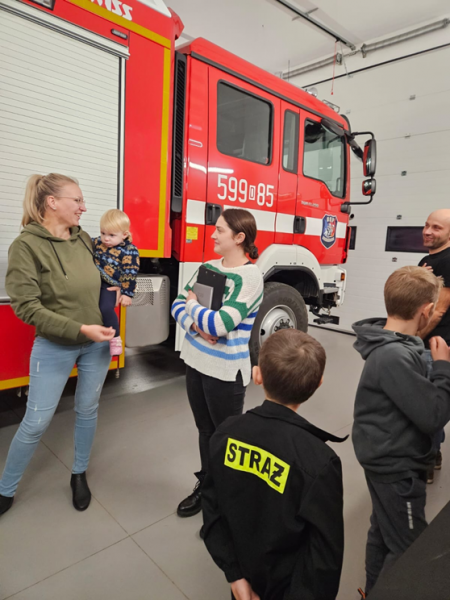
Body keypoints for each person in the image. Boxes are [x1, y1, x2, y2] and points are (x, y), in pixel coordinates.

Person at [0, 173, 116, 517]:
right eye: (77, 200)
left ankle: (78, 473)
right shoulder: (25, 246)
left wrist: (116, 298)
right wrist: (79, 327)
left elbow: (100, 281)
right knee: (35, 422)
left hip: (95, 345)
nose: (84, 207)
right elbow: (26, 306)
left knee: (88, 409)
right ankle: (6, 489)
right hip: (54, 346)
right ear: (52, 203)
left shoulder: (83, 240)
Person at [202, 329, 346, 600]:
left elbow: (212, 507)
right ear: (317, 384)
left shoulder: (226, 433)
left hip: (244, 583)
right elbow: (324, 558)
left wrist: (235, 576)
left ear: (257, 375)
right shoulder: (319, 463)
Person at [352, 266, 450, 596]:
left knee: (382, 532)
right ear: (425, 312)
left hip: (386, 454)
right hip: (395, 467)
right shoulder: (393, 355)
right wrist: (443, 369)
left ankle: (372, 588)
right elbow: (434, 415)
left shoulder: (395, 343)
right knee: (409, 549)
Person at [171, 208, 264, 519]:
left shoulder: (250, 278)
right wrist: (198, 324)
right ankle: (208, 488)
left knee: (226, 439)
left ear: (239, 238)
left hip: (225, 370)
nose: (212, 234)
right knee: (205, 431)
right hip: (196, 360)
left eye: (220, 230)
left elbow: (223, 323)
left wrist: (194, 308)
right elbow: (176, 305)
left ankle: (226, 502)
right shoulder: (208, 267)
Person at [418, 209, 450, 483]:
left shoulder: (449, 260)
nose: (428, 231)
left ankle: (428, 459)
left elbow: (439, 309)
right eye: (426, 225)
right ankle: (433, 453)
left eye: (436, 228)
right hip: (426, 344)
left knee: (429, 406)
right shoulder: (427, 260)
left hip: (437, 344)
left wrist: (413, 336)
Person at [92, 209, 140, 357]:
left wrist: (126, 293)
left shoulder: (129, 251)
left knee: (105, 308)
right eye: (103, 233)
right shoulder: (98, 242)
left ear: (124, 235)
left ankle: (115, 338)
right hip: (94, 280)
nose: (106, 239)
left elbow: (130, 274)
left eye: (112, 235)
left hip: (110, 285)